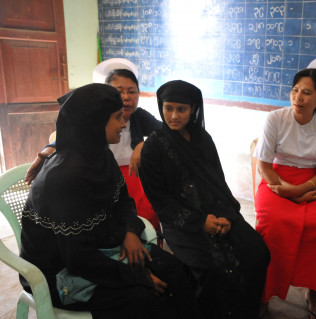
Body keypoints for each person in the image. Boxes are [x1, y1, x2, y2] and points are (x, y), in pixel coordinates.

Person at [19, 83, 200, 319]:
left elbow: (122, 200)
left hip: (100, 248)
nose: (124, 124)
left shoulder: (99, 155)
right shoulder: (63, 180)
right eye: (116, 117)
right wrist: (139, 277)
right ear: (93, 123)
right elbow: (77, 259)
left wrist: (130, 232)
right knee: (143, 297)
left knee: (175, 270)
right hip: (59, 272)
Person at [139, 80, 270, 319]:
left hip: (219, 211)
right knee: (214, 270)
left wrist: (227, 216)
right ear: (161, 107)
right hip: (179, 221)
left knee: (256, 252)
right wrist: (200, 222)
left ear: (193, 110)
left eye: (182, 109)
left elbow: (218, 183)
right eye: (168, 108)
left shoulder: (203, 139)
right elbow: (160, 201)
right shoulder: (153, 148)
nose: (174, 116)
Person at [25, 58, 162, 230]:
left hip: (134, 178)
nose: (126, 97)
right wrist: (47, 152)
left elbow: (164, 131)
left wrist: (144, 145)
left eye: (132, 91)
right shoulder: (95, 119)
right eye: (119, 91)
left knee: (146, 215)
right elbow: (69, 136)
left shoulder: (139, 117)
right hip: (102, 177)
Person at [253, 58, 316, 319]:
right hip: (275, 180)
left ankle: (313, 293)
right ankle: (264, 293)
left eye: (307, 92)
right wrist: (289, 190)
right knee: (273, 225)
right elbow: (264, 165)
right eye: (295, 90)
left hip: (312, 183)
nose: (298, 97)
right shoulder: (275, 119)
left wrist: (301, 190)